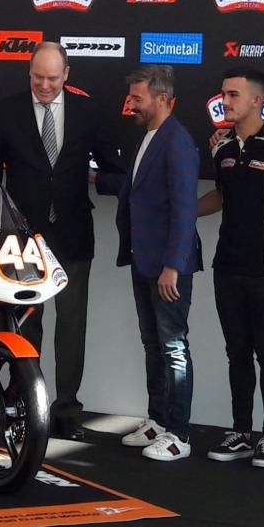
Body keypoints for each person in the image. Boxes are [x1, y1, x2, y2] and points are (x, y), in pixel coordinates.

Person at [0, 42, 126, 442]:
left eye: (53, 79)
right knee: (26, 324)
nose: (44, 85)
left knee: (72, 326)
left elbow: (114, 169)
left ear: (67, 75)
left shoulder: (88, 111)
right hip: (21, 238)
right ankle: (23, 402)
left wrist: (105, 182)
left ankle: (66, 410)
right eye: (38, 77)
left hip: (74, 234)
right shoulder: (7, 110)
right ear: (29, 72)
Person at [100, 65, 202, 461]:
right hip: (145, 261)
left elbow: (185, 208)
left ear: (162, 98)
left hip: (167, 268)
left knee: (173, 347)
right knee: (153, 343)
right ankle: (158, 420)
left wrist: (173, 265)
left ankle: (179, 434)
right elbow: (136, 190)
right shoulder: (151, 136)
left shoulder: (177, 141)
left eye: (138, 98)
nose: (131, 105)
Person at [198, 68, 264, 469]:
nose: (225, 101)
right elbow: (221, 196)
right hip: (227, 264)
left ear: (258, 100)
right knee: (236, 352)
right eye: (223, 93)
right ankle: (241, 431)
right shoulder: (221, 147)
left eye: (233, 94)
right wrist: (180, 213)